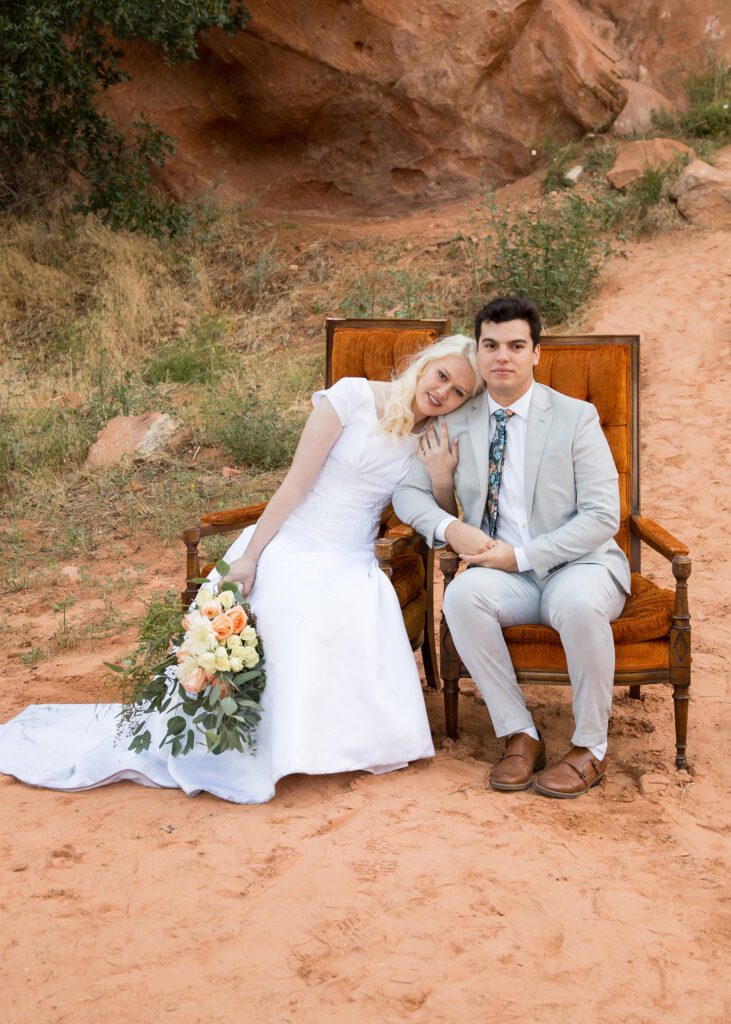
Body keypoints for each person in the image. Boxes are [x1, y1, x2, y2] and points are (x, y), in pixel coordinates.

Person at [0, 335, 480, 804]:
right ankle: (243, 741)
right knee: (286, 603)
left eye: (458, 392)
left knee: (346, 607)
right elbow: (294, 485)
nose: (443, 393)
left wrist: (441, 475)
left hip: (352, 555)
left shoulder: (432, 437)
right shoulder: (351, 397)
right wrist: (249, 556)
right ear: (426, 362)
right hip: (293, 538)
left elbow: (432, 512)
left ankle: (322, 744)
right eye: (441, 376)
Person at [393, 297, 630, 798]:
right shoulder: (454, 417)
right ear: (478, 353)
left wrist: (520, 556)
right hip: (500, 575)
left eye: (516, 346)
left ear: (536, 353)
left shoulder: (575, 416)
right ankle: (519, 733)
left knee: (577, 603)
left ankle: (591, 748)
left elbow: (603, 515)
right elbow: (407, 493)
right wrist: (450, 527)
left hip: (579, 564)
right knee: (461, 597)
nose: (503, 356)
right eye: (491, 345)